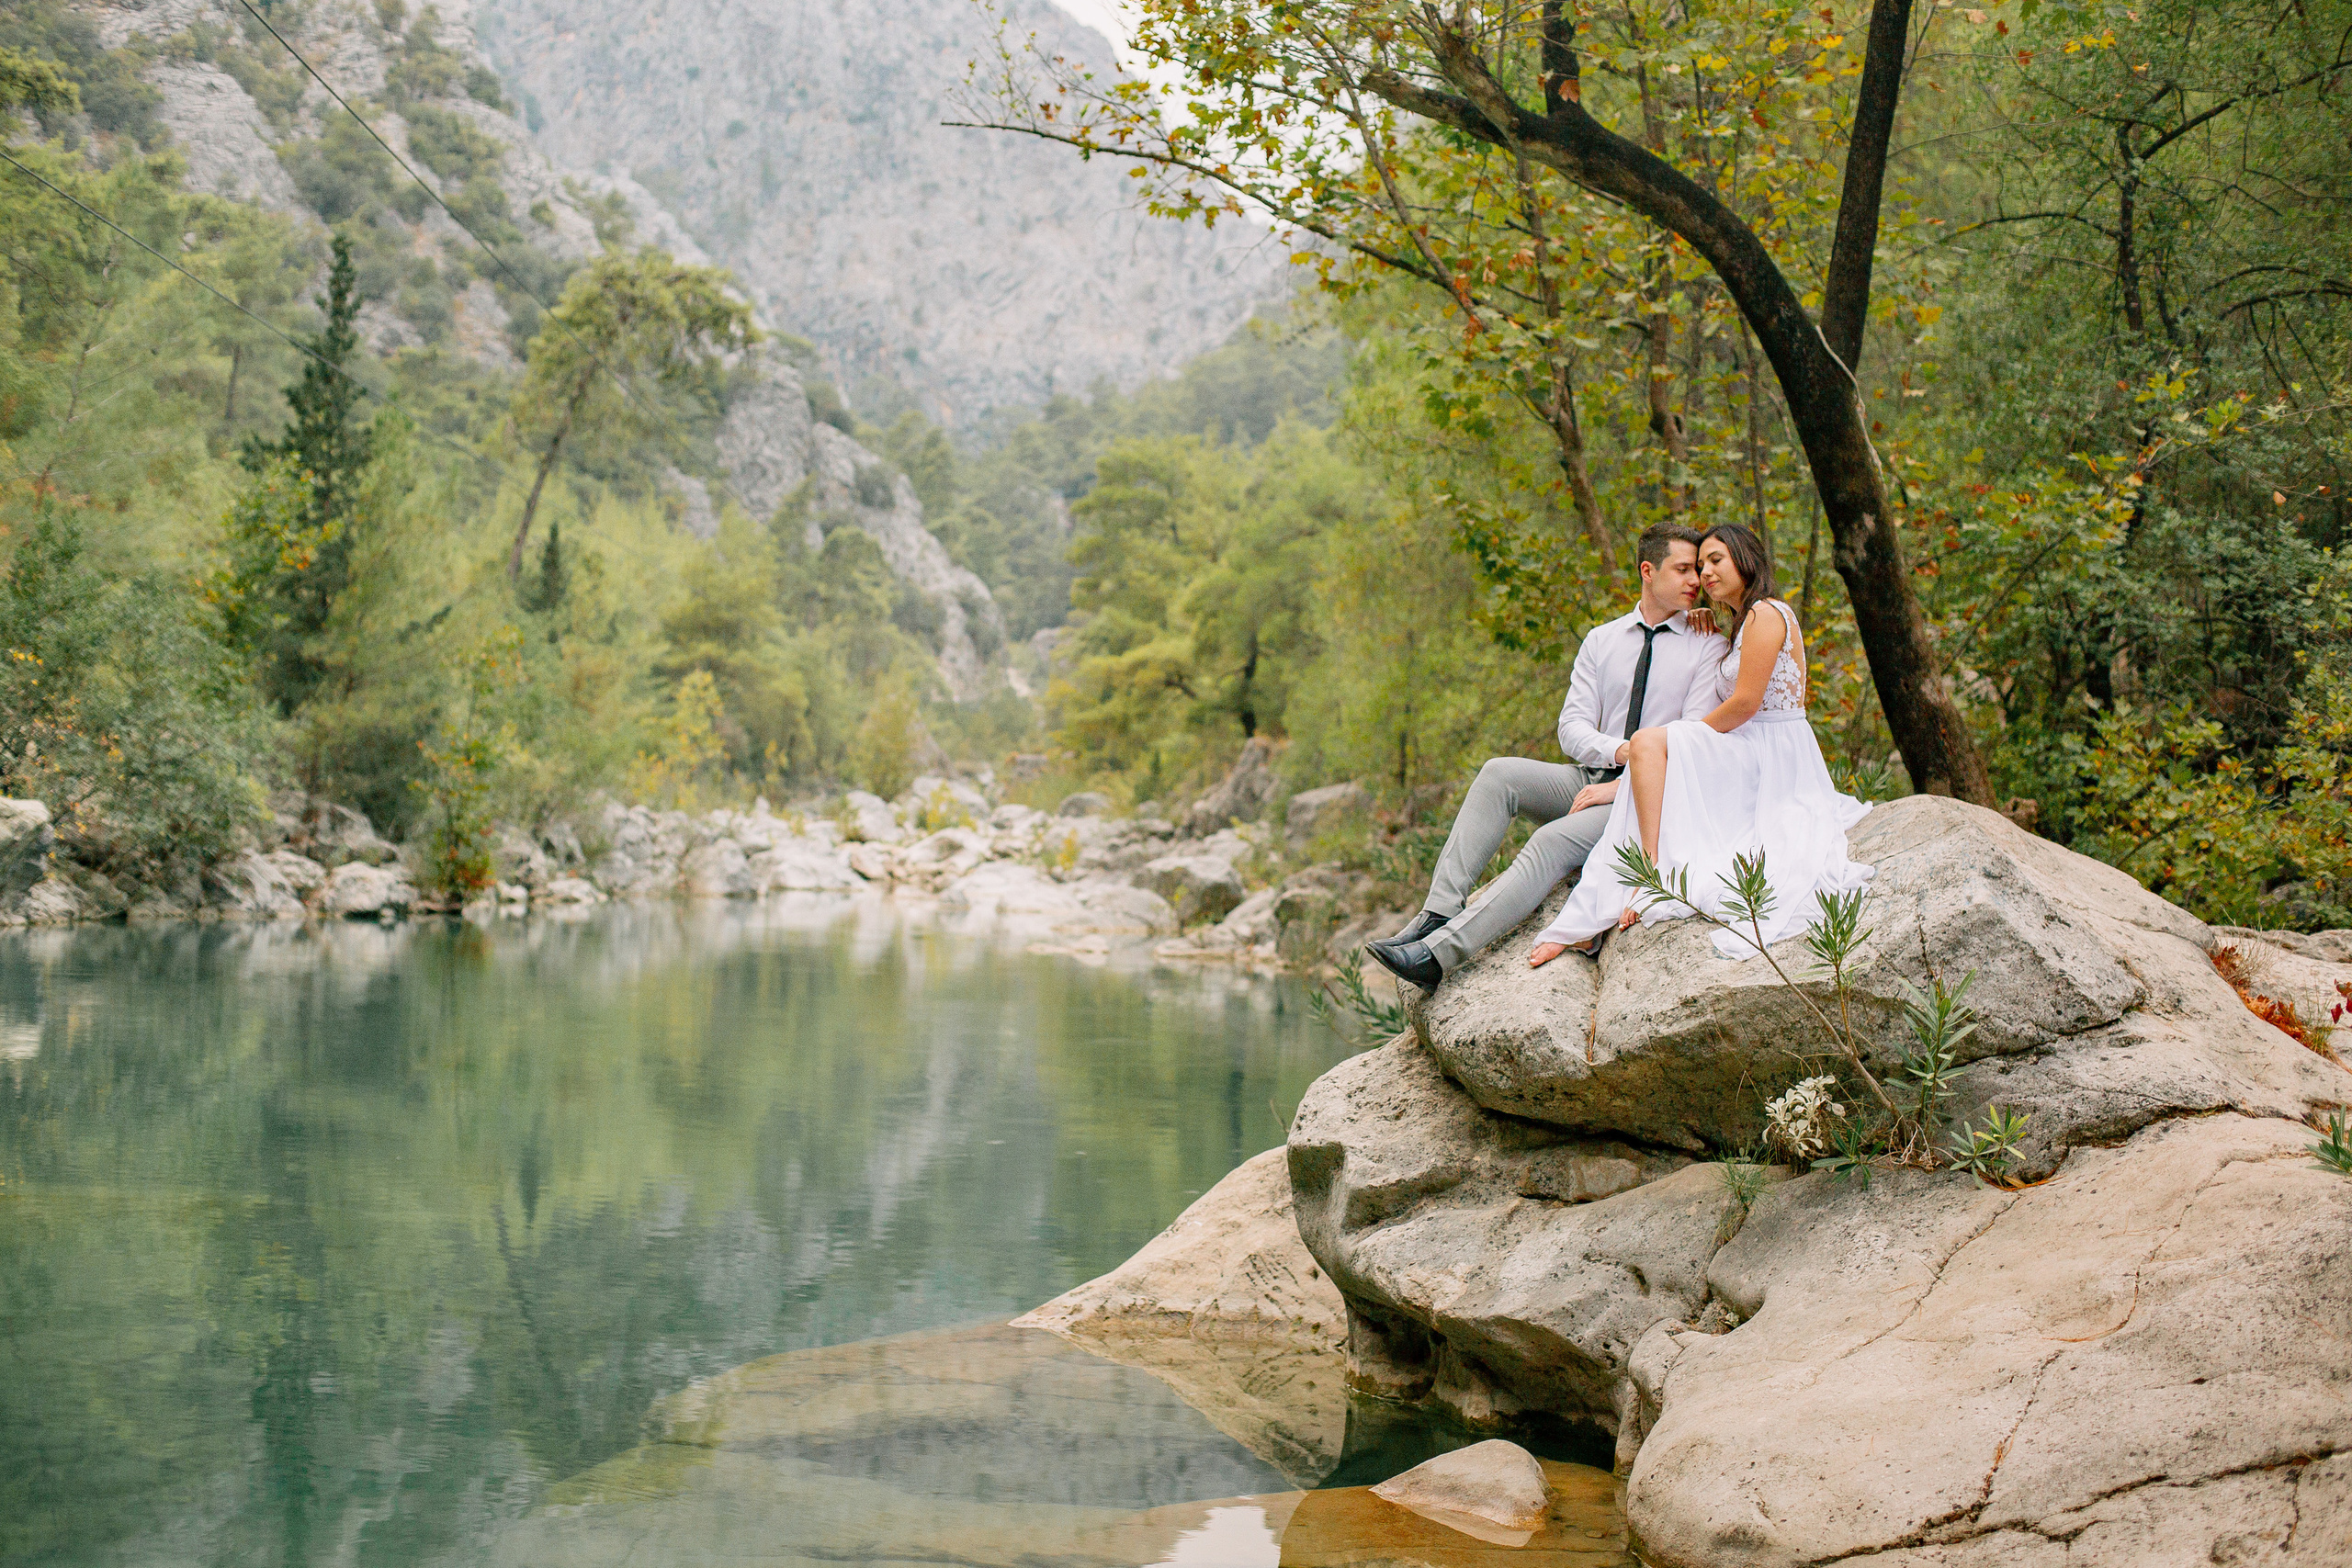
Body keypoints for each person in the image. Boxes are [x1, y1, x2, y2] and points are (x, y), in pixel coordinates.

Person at [1363, 524, 1728, 989]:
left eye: (1697, 570)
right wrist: (1619, 750)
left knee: (1551, 840)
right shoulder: (1602, 640)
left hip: (1646, 795)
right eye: (1683, 569)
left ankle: (1436, 958)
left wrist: (1630, 773)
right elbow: (1572, 727)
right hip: (1589, 776)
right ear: (1647, 571)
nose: (1695, 580)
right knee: (1499, 774)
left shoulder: (1707, 644)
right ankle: (1437, 913)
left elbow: (1691, 737)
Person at [1528, 522, 1872, 964]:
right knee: (1650, 747)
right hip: (1747, 744)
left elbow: (1745, 702)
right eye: (1699, 565)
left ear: (1745, 559)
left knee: (1652, 743)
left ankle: (1649, 875)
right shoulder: (1740, 621)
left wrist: (1686, 739)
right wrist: (1701, 620)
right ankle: (1636, 878)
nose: (1705, 573)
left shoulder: (1767, 613)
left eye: (1715, 560)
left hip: (1772, 749)